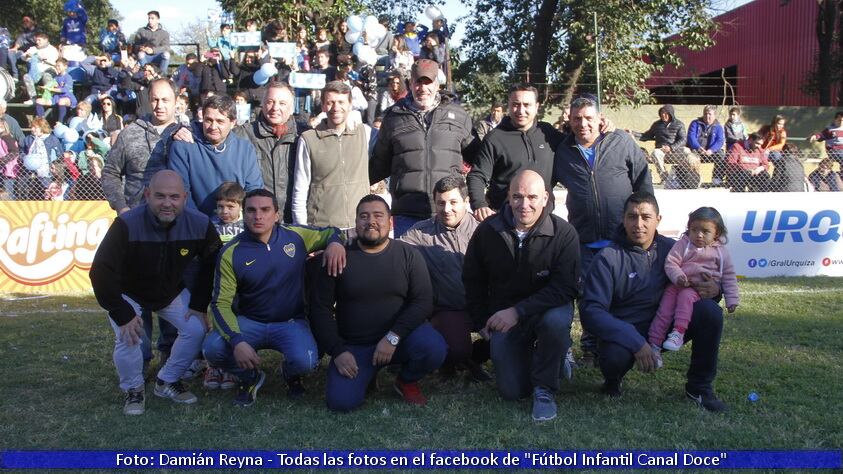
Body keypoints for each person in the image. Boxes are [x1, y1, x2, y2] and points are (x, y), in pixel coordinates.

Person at [579, 191, 728, 412]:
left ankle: (699, 388)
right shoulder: (608, 257)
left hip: (664, 325)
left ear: (658, 220)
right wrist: (635, 342)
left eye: (646, 217)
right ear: (623, 219)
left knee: (710, 312)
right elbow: (591, 311)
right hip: (627, 331)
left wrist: (716, 290)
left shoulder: (675, 249)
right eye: (632, 216)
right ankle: (612, 380)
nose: (638, 224)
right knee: (612, 359)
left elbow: (705, 277)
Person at [90, 170, 222, 415]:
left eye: (174, 197)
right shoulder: (126, 224)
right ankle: (133, 389)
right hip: (127, 292)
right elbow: (100, 271)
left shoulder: (200, 223)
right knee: (129, 335)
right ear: (147, 195)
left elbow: (212, 261)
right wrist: (122, 312)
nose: (167, 203)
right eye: (160, 196)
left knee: (195, 329)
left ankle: (167, 380)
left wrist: (199, 303)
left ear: (185, 197)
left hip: (169, 291)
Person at [204, 188, 346, 406]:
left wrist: (335, 243)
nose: (258, 216)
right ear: (244, 213)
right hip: (249, 321)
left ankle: (289, 373)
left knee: (306, 361)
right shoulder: (231, 252)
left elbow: (332, 231)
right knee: (212, 349)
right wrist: (237, 340)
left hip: (290, 321)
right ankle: (249, 377)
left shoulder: (296, 236)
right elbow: (220, 303)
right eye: (251, 210)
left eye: (265, 210)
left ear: (277, 214)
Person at [309, 194, 446, 411]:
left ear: (390, 222)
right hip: (356, 347)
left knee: (434, 347)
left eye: (378, 215)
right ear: (355, 223)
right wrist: (337, 351)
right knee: (341, 403)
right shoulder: (339, 257)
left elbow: (423, 302)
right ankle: (367, 375)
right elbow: (320, 310)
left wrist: (393, 337)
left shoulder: (408, 255)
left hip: (399, 340)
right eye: (363, 216)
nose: (371, 221)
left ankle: (406, 380)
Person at [463, 170, 580, 421]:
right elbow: (473, 280)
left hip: (546, 310)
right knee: (512, 391)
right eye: (517, 196)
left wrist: (518, 311)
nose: (524, 204)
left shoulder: (564, 233)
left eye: (532, 197)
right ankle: (550, 359)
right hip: (505, 314)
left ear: (545, 197)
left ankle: (545, 389)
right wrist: (481, 320)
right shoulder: (487, 231)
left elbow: (566, 287)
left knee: (555, 323)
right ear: (508, 196)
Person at [553, 94, 653, 366]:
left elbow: (643, 178)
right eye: (577, 118)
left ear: (599, 119)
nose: (582, 124)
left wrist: (644, 219)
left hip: (620, 239)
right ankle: (589, 348)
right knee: (588, 296)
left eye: (588, 118)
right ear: (569, 120)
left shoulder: (620, 141)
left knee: (621, 293)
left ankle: (621, 342)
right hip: (584, 241)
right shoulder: (562, 151)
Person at [370, 59, 478, 237]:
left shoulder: (459, 116)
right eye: (418, 82)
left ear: (437, 84)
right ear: (410, 83)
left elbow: (480, 159)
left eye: (428, 82)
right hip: (407, 213)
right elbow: (378, 164)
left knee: (449, 264)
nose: (422, 88)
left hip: (448, 212)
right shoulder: (393, 117)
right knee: (408, 264)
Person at [400, 175, 490, 381]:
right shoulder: (420, 232)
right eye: (441, 203)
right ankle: (454, 358)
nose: (446, 209)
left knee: (508, 336)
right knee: (457, 350)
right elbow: (393, 251)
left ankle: (477, 356)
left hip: (485, 307)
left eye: (453, 202)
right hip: (449, 309)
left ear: (466, 202)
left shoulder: (484, 230)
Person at [647, 207, 738, 368]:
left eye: (705, 231)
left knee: (686, 298)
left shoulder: (721, 253)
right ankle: (654, 346)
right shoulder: (683, 244)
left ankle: (678, 332)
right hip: (677, 285)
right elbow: (671, 263)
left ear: (717, 233)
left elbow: (729, 276)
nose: (699, 235)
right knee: (664, 312)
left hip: (696, 290)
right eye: (694, 230)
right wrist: (678, 277)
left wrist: (732, 299)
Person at [467, 84, 562, 220]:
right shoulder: (495, 138)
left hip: (543, 218)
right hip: (505, 219)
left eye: (527, 105)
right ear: (509, 106)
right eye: (516, 104)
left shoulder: (548, 133)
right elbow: (477, 175)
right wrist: (479, 204)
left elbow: (577, 143)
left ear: (536, 107)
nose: (521, 110)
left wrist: (600, 130)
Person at [292, 81, 373, 230]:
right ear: (323, 106)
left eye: (341, 102)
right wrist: (302, 231)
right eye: (330, 102)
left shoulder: (365, 133)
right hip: (322, 229)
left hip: (360, 227)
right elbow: (300, 188)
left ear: (350, 105)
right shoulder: (309, 139)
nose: (336, 108)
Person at [168, 94, 263, 217]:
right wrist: (200, 224)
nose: (213, 127)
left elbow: (253, 190)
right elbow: (181, 191)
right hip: (195, 223)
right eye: (208, 120)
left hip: (236, 225)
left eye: (220, 121)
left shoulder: (245, 149)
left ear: (233, 122)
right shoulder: (183, 146)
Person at [102, 78, 181, 213]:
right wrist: (121, 206)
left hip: (179, 220)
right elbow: (110, 172)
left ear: (176, 101)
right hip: (137, 218)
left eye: (165, 100)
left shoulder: (189, 134)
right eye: (155, 100)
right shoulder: (129, 133)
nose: (159, 105)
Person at [628, 104, 686, 182]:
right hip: (661, 151)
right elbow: (646, 136)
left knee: (688, 153)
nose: (663, 115)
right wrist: (632, 133)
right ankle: (665, 178)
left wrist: (671, 148)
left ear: (670, 114)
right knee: (655, 153)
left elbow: (683, 139)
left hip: (675, 151)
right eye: (661, 113)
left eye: (665, 113)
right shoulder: (657, 125)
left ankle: (688, 179)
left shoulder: (679, 124)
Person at [685, 105, 725, 188]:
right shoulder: (695, 123)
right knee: (690, 158)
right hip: (696, 151)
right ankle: (695, 180)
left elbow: (720, 140)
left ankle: (717, 179)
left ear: (714, 115)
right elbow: (691, 137)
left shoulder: (718, 127)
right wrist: (698, 147)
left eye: (710, 114)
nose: (707, 116)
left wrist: (711, 150)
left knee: (722, 156)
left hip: (710, 153)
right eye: (705, 114)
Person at [134, 11, 171, 77]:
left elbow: (166, 47)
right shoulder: (141, 31)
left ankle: (161, 76)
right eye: (149, 18)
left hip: (158, 56)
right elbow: (135, 45)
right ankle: (146, 74)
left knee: (166, 55)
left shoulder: (164, 33)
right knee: (140, 54)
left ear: (158, 20)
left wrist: (153, 50)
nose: (150, 20)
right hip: (145, 56)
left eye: (152, 18)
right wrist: (141, 48)